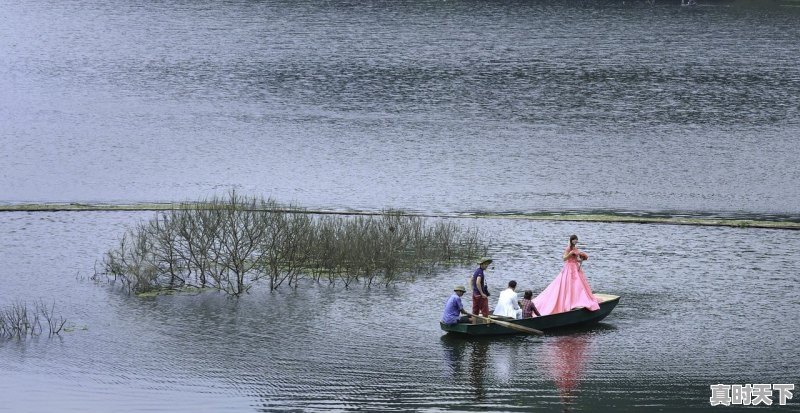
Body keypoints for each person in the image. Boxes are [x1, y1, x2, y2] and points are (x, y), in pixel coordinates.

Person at [533, 235, 600, 315]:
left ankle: (576, 299)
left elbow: (576, 259)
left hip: (575, 267)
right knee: (569, 283)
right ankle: (569, 301)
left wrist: (582, 259)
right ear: (571, 240)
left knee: (578, 285)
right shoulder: (568, 248)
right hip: (569, 268)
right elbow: (564, 258)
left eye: (576, 240)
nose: (575, 241)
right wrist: (570, 254)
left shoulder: (576, 249)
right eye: (574, 240)